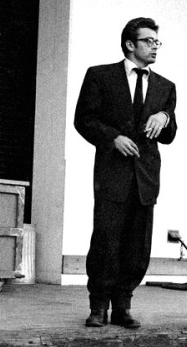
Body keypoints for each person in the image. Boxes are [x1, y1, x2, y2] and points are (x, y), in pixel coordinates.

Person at [74, 17, 177, 329]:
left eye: (157, 42)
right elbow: (84, 119)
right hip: (112, 174)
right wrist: (112, 138)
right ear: (131, 44)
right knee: (106, 240)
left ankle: (123, 307)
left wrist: (164, 116)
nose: (155, 46)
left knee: (137, 245)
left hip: (145, 178)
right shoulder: (100, 76)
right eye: (149, 41)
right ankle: (98, 307)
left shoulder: (165, 87)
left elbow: (170, 133)